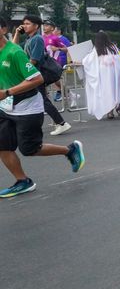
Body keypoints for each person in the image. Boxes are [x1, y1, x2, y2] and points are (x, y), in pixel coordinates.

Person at [0, 17, 85, 198]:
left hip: (27, 107)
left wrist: (7, 92)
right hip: (5, 108)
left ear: (3, 29)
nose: (26, 26)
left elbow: (37, 79)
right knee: (3, 146)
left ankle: (69, 150)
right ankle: (23, 181)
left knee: (29, 149)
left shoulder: (14, 52)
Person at [12, 15, 72, 136]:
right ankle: (59, 123)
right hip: (33, 74)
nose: (24, 26)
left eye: (27, 23)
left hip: (36, 75)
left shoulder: (37, 39)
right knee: (38, 100)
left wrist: (24, 73)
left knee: (41, 100)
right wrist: (17, 33)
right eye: (24, 23)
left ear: (36, 26)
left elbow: (34, 60)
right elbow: (13, 48)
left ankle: (61, 123)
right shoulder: (29, 39)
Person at [82, 31, 120, 120]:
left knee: (107, 91)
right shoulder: (113, 47)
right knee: (116, 89)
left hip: (104, 74)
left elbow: (88, 60)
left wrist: (81, 61)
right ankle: (118, 103)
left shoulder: (98, 49)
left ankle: (110, 112)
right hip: (116, 72)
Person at [42, 21, 68, 102]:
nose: (44, 27)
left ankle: (69, 94)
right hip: (45, 63)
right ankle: (46, 99)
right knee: (43, 81)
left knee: (57, 82)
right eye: (44, 25)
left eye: (47, 25)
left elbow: (66, 49)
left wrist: (57, 48)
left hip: (55, 63)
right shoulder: (41, 38)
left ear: (52, 28)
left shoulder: (55, 38)